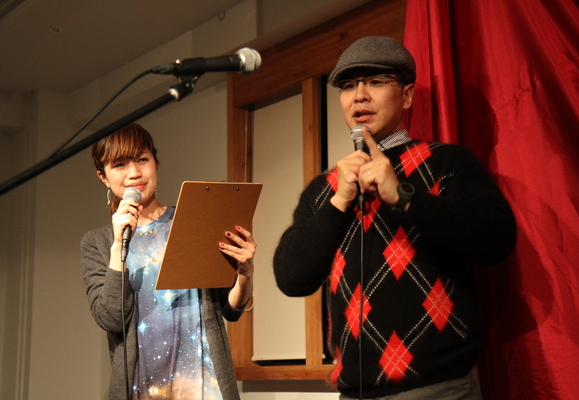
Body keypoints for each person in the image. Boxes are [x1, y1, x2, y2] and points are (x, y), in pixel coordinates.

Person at [273, 36, 516, 399]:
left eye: (375, 81)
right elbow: (292, 278)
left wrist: (402, 196)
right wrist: (340, 201)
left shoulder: (446, 162)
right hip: (353, 392)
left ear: (406, 96)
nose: (359, 96)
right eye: (348, 86)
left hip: (437, 389)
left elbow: (497, 238)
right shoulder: (325, 189)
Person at [80, 123, 255, 400]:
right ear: (103, 177)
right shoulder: (97, 242)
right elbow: (111, 318)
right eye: (120, 164)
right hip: (142, 388)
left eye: (142, 159)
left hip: (205, 386)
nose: (134, 173)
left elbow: (229, 308)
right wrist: (117, 247)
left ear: (155, 162)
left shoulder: (192, 222)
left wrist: (245, 273)